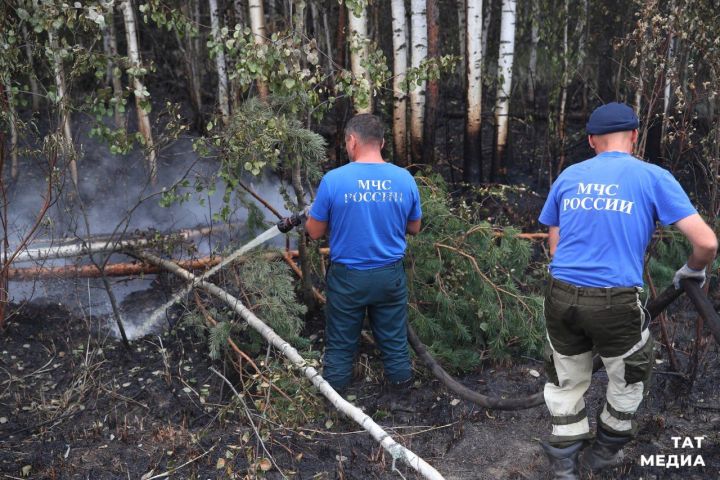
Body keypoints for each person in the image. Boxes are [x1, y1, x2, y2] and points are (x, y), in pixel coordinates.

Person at [537, 102, 717, 479]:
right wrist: (692, 270)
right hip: (615, 301)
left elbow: (555, 246)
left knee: (566, 375)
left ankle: (565, 462)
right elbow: (707, 243)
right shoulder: (652, 177)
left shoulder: (569, 176)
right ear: (634, 136)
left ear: (591, 141)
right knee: (629, 374)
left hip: (560, 295)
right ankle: (602, 453)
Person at [305, 114, 422, 396]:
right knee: (394, 341)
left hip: (348, 280)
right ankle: (404, 400)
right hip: (389, 276)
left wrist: (322, 214)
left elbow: (314, 232)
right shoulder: (404, 178)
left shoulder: (334, 180)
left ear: (352, 141)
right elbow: (415, 227)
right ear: (381, 143)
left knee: (341, 344)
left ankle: (336, 404)